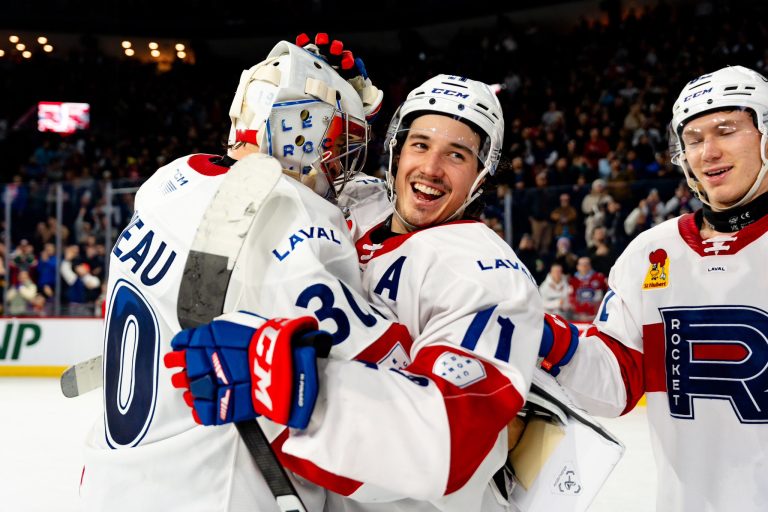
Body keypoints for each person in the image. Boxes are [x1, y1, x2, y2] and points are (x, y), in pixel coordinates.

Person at [167, 75, 544, 511]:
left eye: (456, 155)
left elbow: (450, 436)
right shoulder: (362, 202)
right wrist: (314, 91)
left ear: (482, 175)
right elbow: (268, 169)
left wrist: (294, 386)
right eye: (420, 145)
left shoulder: (486, 275)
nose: (431, 168)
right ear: (396, 151)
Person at [80, 38, 403, 512]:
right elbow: (385, 387)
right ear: (299, 130)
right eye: (337, 140)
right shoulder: (296, 217)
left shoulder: (170, 182)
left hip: (111, 484)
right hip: (212, 494)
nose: (343, 163)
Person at [541, 65, 768, 511]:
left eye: (726, 129)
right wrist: (536, 330)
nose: (709, 151)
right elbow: (612, 387)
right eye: (695, 138)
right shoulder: (651, 251)